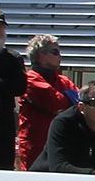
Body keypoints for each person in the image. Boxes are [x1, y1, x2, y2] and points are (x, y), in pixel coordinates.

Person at [18, 35, 78, 170]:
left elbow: (79, 103)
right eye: (55, 52)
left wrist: (69, 104)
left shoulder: (63, 80)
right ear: (41, 56)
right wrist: (68, 102)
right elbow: (57, 102)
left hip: (59, 145)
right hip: (35, 147)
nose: (59, 56)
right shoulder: (29, 79)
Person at [0, 8, 26, 169]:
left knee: (2, 168)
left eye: (0, 27)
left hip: (3, 126)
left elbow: (20, 87)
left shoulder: (13, 58)